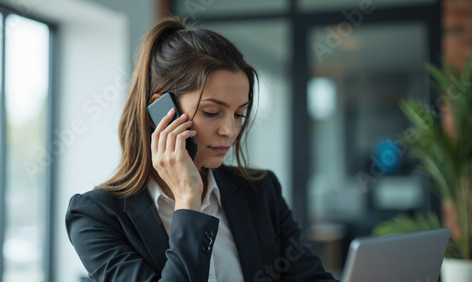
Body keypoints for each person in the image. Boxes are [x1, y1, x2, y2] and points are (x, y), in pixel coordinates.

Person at [65, 17, 339, 282]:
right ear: (162, 112)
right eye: (211, 112)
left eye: (239, 114)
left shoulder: (261, 191)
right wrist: (187, 198)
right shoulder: (95, 216)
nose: (230, 131)